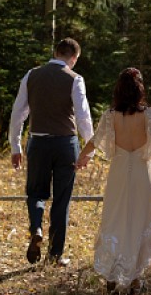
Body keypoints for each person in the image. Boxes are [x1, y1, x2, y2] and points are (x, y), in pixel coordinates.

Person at [76, 67, 151, 293]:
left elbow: (96, 140)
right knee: (138, 221)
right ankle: (134, 277)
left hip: (119, 173)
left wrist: (81, 156)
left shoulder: (110, 115)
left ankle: (112, 275)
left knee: (116, 219)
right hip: (141, 172)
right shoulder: (148, 114)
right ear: (140, 90)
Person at [9, 38, 93, 267]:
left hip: (38, 143)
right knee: (61, 200)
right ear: (73, 58)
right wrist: (89, 150)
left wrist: (15, 146)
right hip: (66, 144)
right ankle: (55, 255)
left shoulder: (31, 75)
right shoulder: (75, 79)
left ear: (55, 52)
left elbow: (18, 114)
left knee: (36, 193)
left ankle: (36, 227)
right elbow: (83, 117)